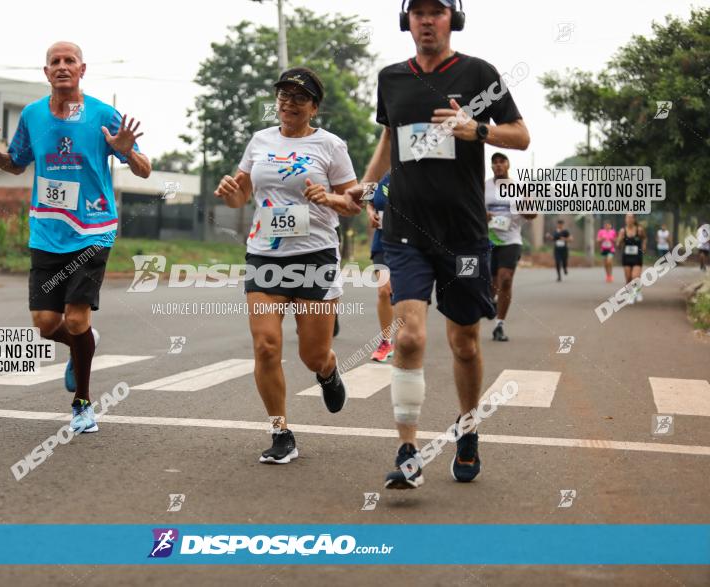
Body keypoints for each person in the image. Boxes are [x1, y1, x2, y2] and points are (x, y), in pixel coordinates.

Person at [348, 0, 530, 489]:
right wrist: (366, 189)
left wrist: (478, 129)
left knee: (465, 343)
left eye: (438, 11)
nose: (427, 20)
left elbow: (522, 136)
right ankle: (408, 449)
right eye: (419, 12)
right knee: (407, 336)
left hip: (464, 234)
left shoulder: (479, 74)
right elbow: (390, 141)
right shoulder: (391, 78)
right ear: (406, 20)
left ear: (454, 20)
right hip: (406, 230)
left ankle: (467, 429)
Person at [0, 41, 151, 433]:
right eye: (55, 62)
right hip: (46, 230)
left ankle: (82, 405)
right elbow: (15, 164)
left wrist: (128, 153)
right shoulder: (31, 115)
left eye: (69, 61)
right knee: (46, 323)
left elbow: (144, 170)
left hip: (93, 229)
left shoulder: (102, 114)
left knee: (75, 320)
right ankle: (84, 343)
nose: (62, 67)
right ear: (46, 72)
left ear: (82, 69)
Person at [214, 67, 361, 464]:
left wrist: (328, 199)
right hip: (265, 255)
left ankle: (327, 371)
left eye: (299, 97)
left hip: (314, 255)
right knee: (265, 346)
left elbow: (353, 201)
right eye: (283, 95)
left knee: (312, 355)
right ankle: (281, 432)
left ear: (314, 106)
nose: (288, 102)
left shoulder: (331, 146)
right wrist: (230, 192)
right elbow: (241, 196)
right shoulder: (260, 141)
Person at [484, 152, 535, 341]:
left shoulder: (519, 187)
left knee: (505, 280)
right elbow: (473, 209)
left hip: (511, 240)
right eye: (494, 162)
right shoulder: (484, 186)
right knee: (490, 284)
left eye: (501, 161)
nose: (498, 165)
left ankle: (499, 325)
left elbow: (532, 214)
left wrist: (526, 208)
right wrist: (485, 214)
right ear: (491, 167)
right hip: (488, 239)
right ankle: (492, 301)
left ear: (508, 165)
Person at [367, 173, 394, 362]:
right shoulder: (377, 175)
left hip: (410, 246)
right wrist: (370, 213)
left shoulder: (416, 172)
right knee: (384, 291)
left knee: (402, 295)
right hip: (382, 243)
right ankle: (386, 341)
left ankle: (408, 337)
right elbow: (366, 201)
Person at [617, 213, 647, 302]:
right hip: (627, 257)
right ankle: (630, 294)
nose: (629, 219)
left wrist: (644, 246)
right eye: (627, 218)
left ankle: (636, 292)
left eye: (630, 218)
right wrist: (620, 239)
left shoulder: (639, 230)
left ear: (634, 219)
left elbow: (645, 238)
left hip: (637, 256)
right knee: (628, 278)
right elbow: (618, 245)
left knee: (635, 276)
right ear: (625, 219)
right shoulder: (622, 231)